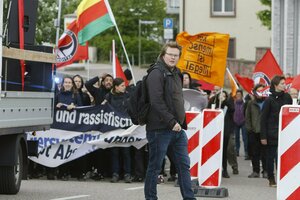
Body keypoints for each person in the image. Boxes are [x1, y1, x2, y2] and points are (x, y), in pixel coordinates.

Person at [144, 41, 196, 200]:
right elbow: (156, 102)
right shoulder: (156, 73)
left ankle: (189, 198)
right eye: (170, 54)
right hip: (160, 129)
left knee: (184, 166)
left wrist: (179, 123)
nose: (173, 58)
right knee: (155, 167)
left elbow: (176, 99)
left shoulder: (176, 73)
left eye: (176, 55)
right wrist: (171, 122)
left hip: (177, 129)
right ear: (163, 55)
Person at [260, 75, 292, 187]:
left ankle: (281, 177)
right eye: (282, 83)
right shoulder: (269, 100)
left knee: (282, 157)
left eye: (285, 83)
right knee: (271, 157)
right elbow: (263, 119)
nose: (284, 85)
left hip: (284, 132)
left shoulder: (288, 97)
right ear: (276, 85)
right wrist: (263, 136)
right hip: (271, 133)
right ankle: (271, 178)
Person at [102, 78, 132, 183]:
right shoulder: (109, 97)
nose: (125, 87)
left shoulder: (128, 96)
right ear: (116, 87)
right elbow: (103, 109)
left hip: (125, 128)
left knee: (126, 152)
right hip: (114, 128)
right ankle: (115, 174)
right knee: (115, 152)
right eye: (122, 86)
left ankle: (127, 174)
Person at [208, 90, 238, 178]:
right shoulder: (213, 102)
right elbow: (208, 111)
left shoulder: (228, 104)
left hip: (225, 130)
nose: (222, 97)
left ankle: (224, 169)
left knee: (225, 151)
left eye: (224, 96)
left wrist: (225, 101)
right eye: (220, 96)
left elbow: (233, 109)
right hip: (214, 130)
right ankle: (213, 169)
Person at [245, 84, 267, 178]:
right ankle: (255, 171)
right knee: (254, 153)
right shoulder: (251, 103)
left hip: (265, 132)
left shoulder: (267, 102)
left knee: (265, 153)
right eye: (258, 91)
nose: (260, 93)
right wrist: (250, 129)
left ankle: (266, 171)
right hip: (254, 132)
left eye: (262, 91)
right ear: (254, 92)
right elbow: (247, 117)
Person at [233, 89, 248, 159]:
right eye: (237, 94)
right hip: (235, 122)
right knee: (236, 137)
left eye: (239, 94)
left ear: (242, 95)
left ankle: (246, 152)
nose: (238, 96)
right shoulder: (233, 103)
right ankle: (237, 151)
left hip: (243, 122)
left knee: (245, 138)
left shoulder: (245, 103)